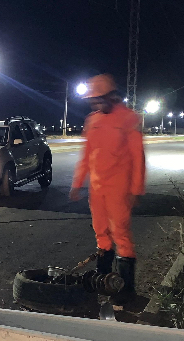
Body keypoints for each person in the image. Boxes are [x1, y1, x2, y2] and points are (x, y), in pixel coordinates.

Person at [69, 74, 146, 303]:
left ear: (111, 96)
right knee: (101, 233)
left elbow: (137, 157)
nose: (94, 104)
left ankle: (126, 291)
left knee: (121, 235)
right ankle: (103, 282)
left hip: (119, 189)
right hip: (97, 189)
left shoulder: (128, 119)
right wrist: (77, 183)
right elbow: (86, 156)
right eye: (92, 101)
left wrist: (136, 190)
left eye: (98, 100)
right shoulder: (92, 121)